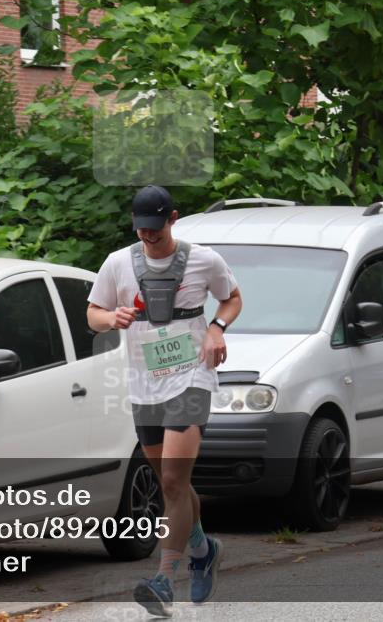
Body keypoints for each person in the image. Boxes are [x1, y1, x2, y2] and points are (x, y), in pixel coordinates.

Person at [87, 185, 242, 617]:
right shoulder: (118, 263)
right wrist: (111, 318)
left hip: (192, 378)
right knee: (170, 483)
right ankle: (204, 550)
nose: (148, 235)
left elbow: (232, 298)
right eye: (141, 228)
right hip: (144, 383)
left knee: (173, 480)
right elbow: (93, 314)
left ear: (173, 219)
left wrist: (216, 329)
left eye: (156, 227)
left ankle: (164, 579)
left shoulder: (204, 260)